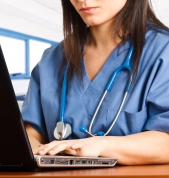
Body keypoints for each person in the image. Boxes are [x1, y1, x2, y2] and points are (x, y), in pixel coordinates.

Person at [22, 0, 169, 165]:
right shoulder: (52, 59)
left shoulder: (163, 50)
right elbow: (32, 131)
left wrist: (101, 145)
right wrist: (34, 150)